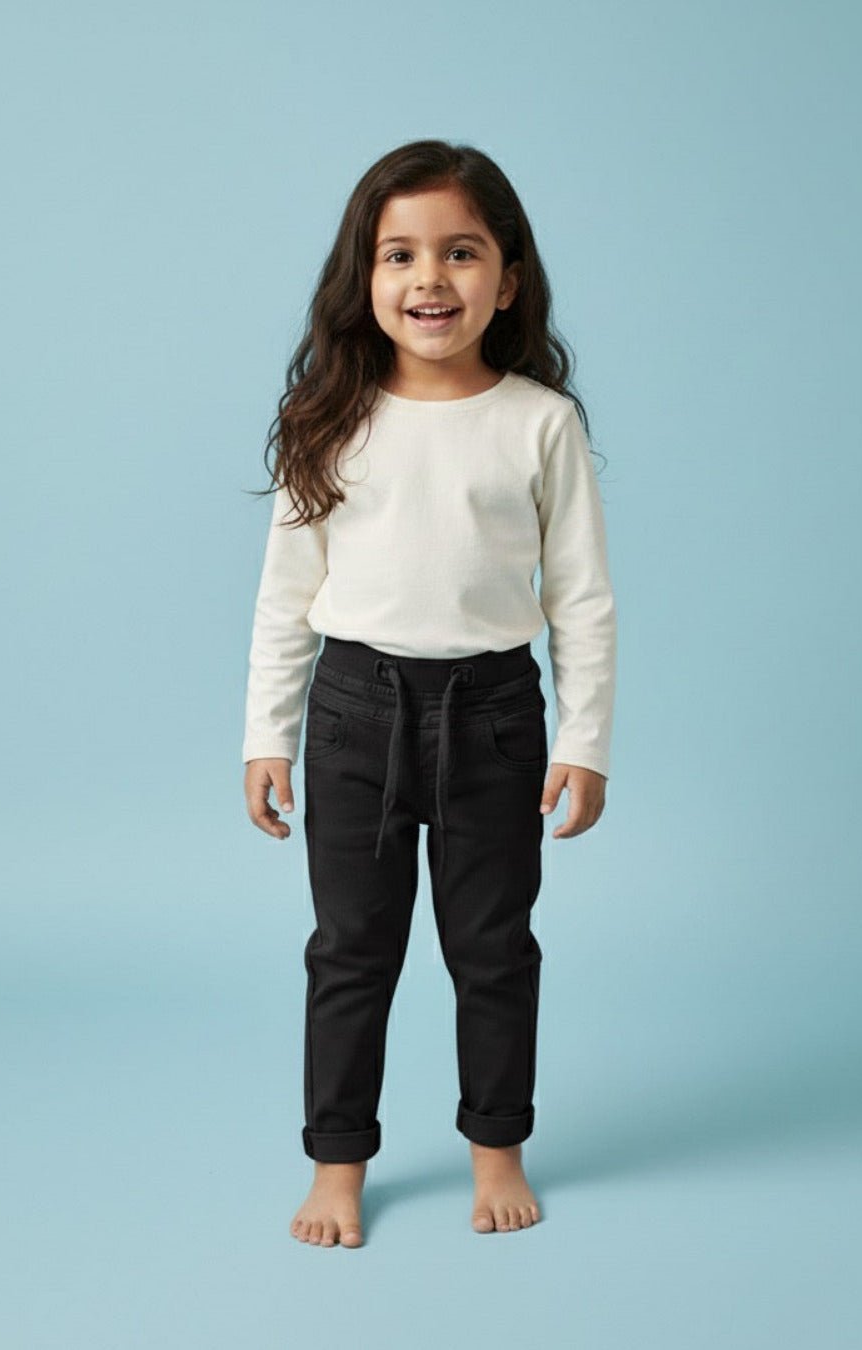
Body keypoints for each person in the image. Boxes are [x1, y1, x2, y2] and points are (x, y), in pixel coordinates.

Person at [241, 139, 617, 1248]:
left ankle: (497, 1151)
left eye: (461, 252)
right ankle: (338, 1165)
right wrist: (266, 736)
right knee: (349, 952)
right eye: (399, 254)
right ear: (364, 276)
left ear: (508, 277)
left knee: (493, 949)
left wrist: (585, 740)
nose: (430, 279)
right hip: (354, 714)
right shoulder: (330, 415)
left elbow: (582, 597)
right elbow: (285, 595)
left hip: (494, 718)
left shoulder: (541, 422)